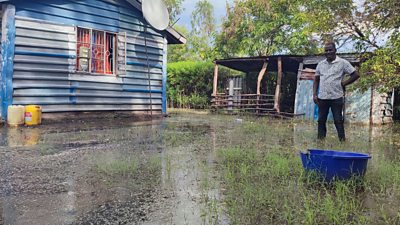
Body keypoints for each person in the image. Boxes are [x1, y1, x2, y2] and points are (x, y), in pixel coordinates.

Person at [313, 42, 360, 141]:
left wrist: (343, 83)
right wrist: (314, 94)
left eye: (330, 50)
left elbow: (355, 74)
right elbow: (316, 80)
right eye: (326, 50)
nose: (328, 52)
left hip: (336, 97)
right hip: (322, 97)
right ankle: (320, 141)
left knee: (338, 121)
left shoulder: (343, 63)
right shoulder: (320, 64)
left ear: (335, 50)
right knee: (321, 121)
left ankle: (342, 141)